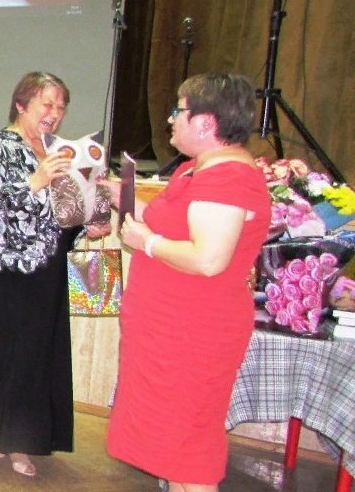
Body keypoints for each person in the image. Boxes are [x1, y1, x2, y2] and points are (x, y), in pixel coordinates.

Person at [106, 74, 271, 492]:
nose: (170, 120)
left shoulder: (228, 178)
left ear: (206, 122)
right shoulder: (196, 169)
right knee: (170, 450)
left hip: (193, 336)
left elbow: (209, 259)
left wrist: (147, 243)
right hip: (167, 332)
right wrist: (124, 197)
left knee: (188, 453)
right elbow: (175, 220)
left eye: (178, 110)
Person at [0, 72, 95, 484]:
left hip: (45, 273)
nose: (55, 113)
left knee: (31, 360)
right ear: (21, 104)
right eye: (47, 104)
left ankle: (15, 439)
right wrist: (36, 181)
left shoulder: (61, 152)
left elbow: (62, 214)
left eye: (61, 106)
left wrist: (89, 219)